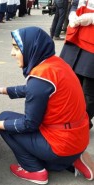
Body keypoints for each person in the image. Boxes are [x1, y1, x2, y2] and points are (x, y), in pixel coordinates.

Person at [0, 26, 94, 184]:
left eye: (16, 47)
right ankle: (72, 159)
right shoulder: (55, 63)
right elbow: (35, 90)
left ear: (32, 47)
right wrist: (0, 90)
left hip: (62, 142)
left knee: (4, 120)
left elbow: (29, 124)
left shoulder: (40, 78)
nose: (12, 53)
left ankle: (34, 170)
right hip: (79, 136)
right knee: (17, 123)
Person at [60, 0, 94, 129]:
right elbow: (75, 3)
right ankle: (69, 118)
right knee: (69, 82)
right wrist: (72, 13)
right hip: (76, 36)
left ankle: (82, 123)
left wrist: (92, 17)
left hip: (91, 43)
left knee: (89, 89)